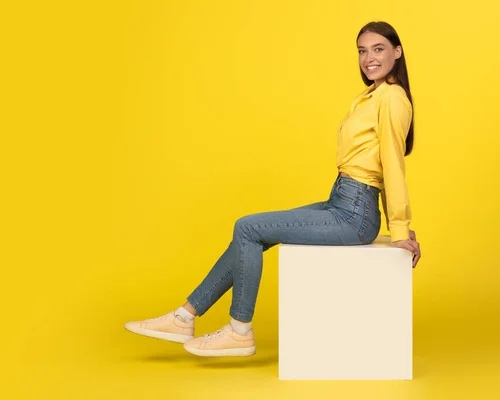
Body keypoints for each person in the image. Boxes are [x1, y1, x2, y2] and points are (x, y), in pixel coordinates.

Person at [125, 20, 422, 357]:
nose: (369, 58)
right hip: (341, 201)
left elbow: (393, 162)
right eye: (362, 51)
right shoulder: (371, 97)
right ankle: (183, 317)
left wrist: (400, 227)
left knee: (248, 227)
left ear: (397, 53)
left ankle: (239, 330)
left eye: (378, 49)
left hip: (355, 211)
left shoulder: (392, 99)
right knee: (252, 233)